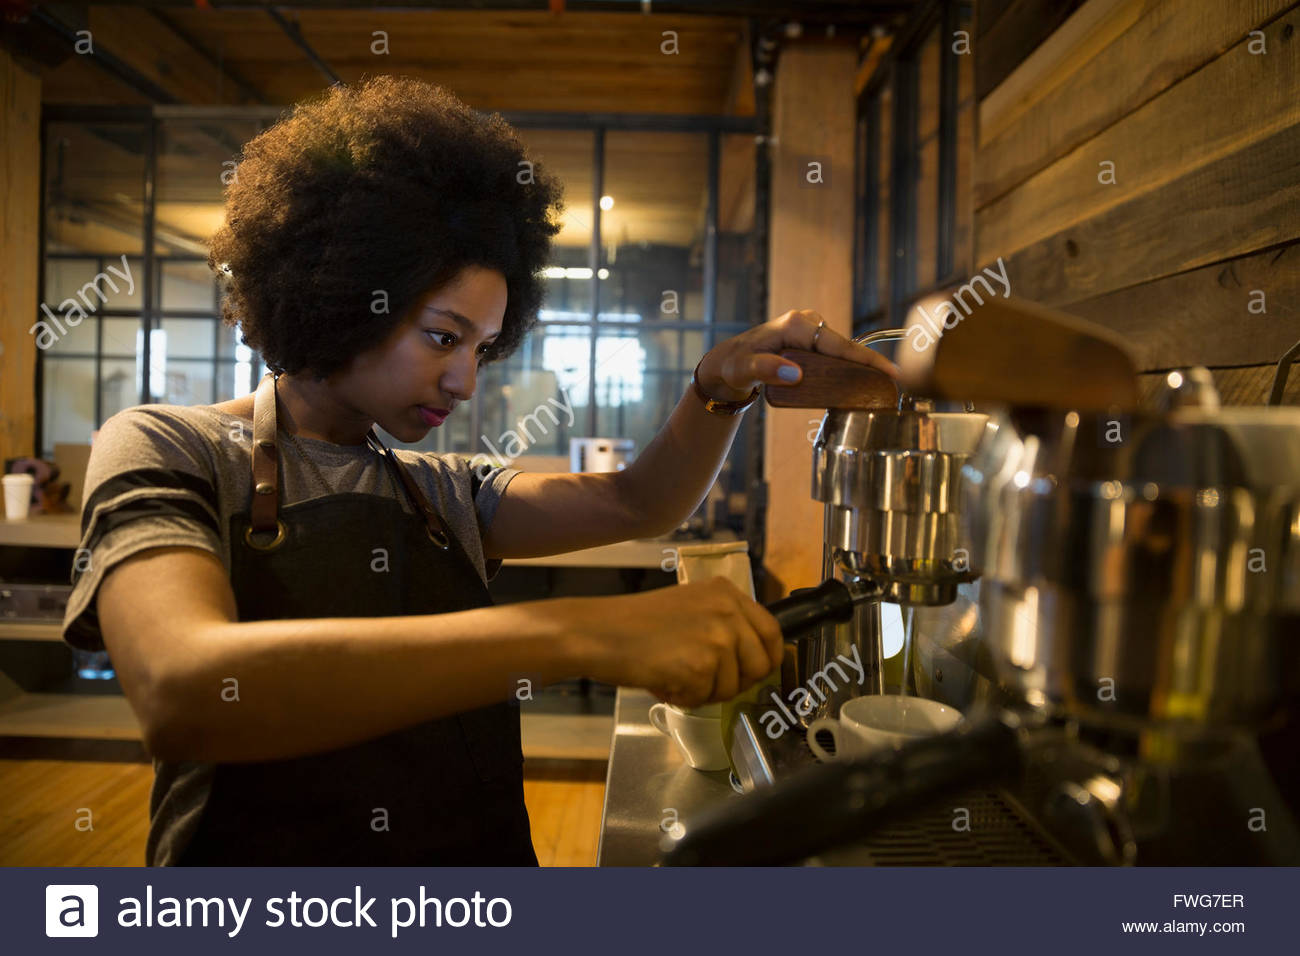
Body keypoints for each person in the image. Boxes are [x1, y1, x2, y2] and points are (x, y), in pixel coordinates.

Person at [60, 76, 898, 866]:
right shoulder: (169, 447)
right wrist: (581, 635)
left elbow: (635, 502)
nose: (466, 380)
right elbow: (184, 690)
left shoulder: (437, 490)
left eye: (483, 348)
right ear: (343, 291)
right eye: (441, 336)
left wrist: (716, 390)